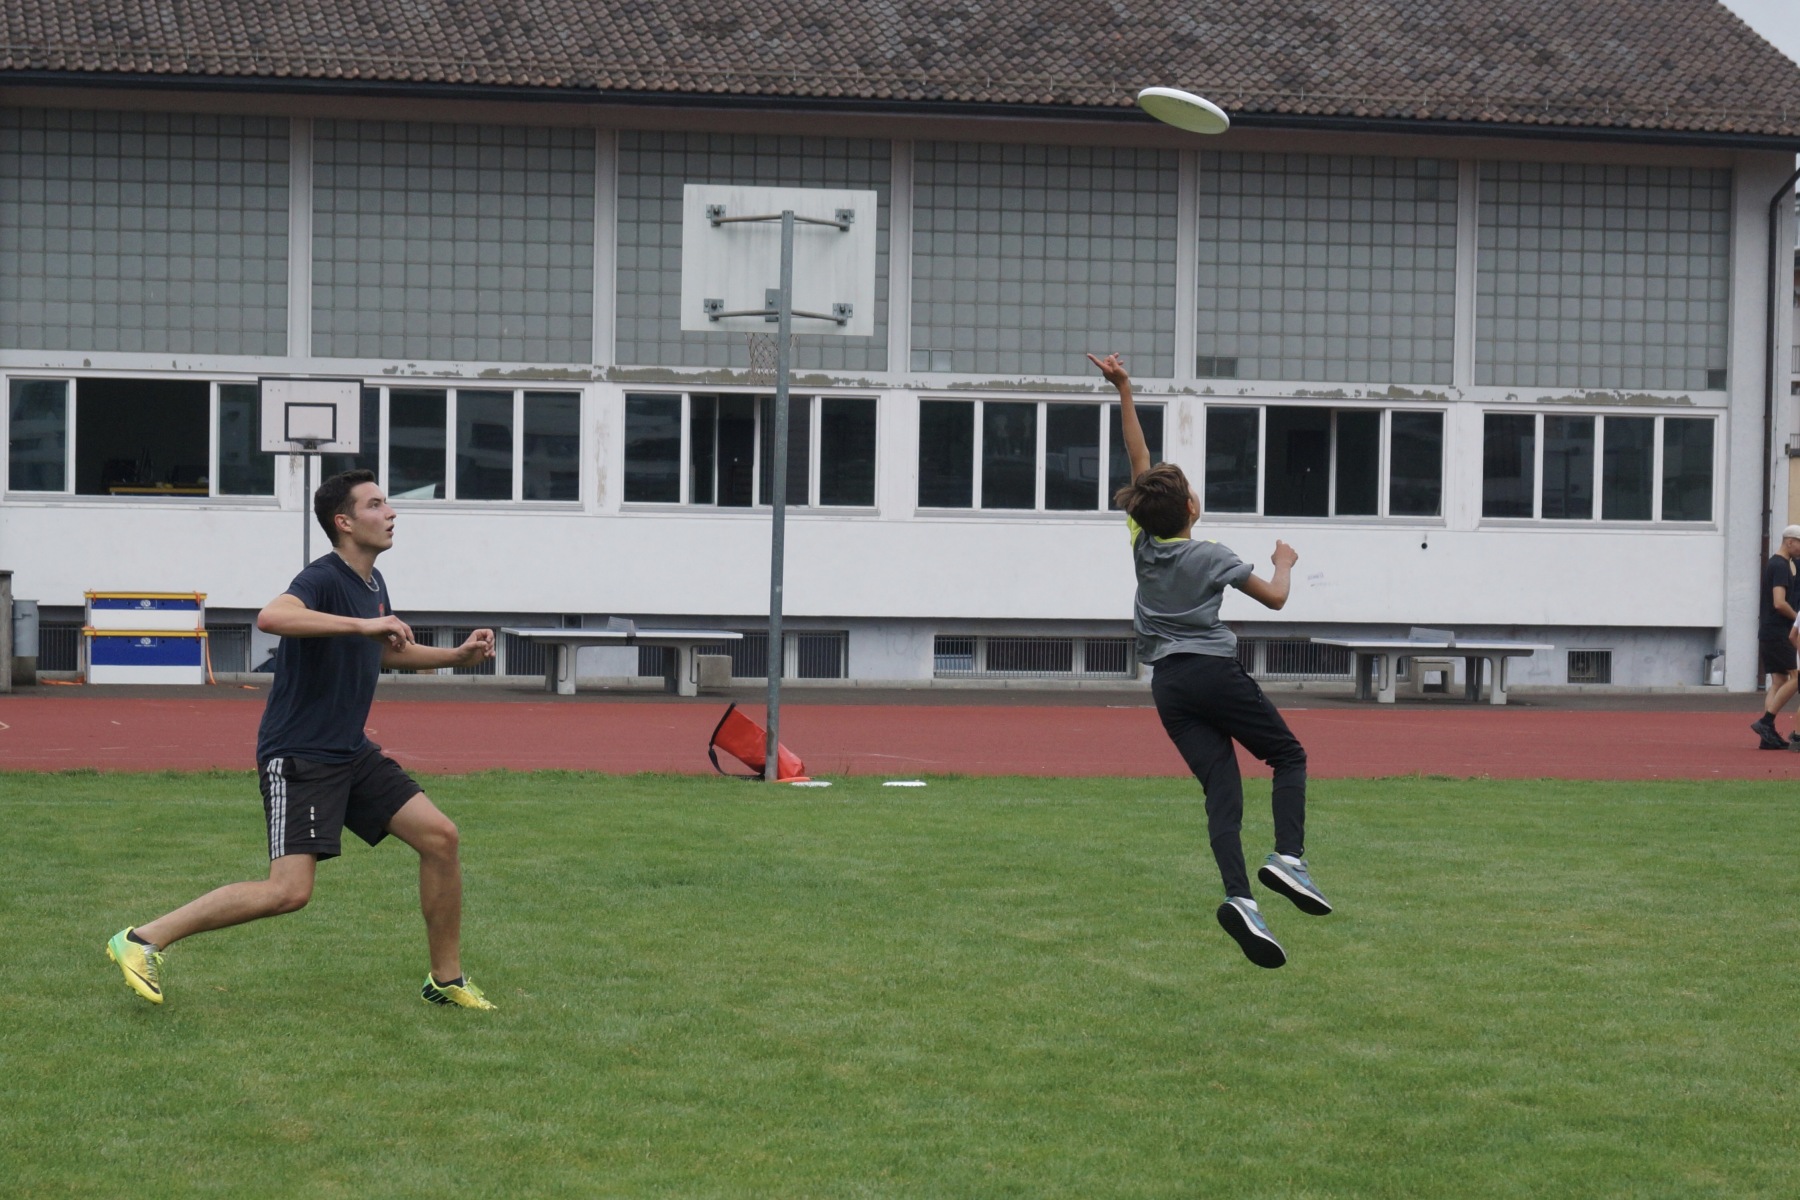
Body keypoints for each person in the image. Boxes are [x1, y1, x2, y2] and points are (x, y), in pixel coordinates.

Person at [107, 469, 500, 1009]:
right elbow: (272, 617)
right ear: (344, 522)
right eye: (375, 505)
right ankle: (141, 939)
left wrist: (456, 656)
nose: (390, 513)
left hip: (349, 750)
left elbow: (384, 651)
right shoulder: (323, 577)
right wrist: (363, 626)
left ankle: (446, 980)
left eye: (387, 503)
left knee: (440, 838)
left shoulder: (371, 584)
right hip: (300, 755)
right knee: (288, 891)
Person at [1089, 352, 1330, 969]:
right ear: (1191, 510)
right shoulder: (1213, 555)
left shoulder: (1143, 545)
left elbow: (1138, 457)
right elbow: (1275, 599)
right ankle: (1289, 859)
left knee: (1222, 789)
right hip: (1213, 672)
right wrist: (1283, 562)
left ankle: (1241, 898)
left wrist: (1123, 389)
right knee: (1288, 756)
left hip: (1168, 685)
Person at [1751, 525, 1800, 750]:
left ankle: (1767, 735)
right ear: (1790, 541)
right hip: (1779, 632)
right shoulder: (1781, 566)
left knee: (1779, 681)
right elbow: (1779, 603)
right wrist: (1798, 619)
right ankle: (1766, 721)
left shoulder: (1775, 563)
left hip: (1769, 631)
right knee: (1796, 677)